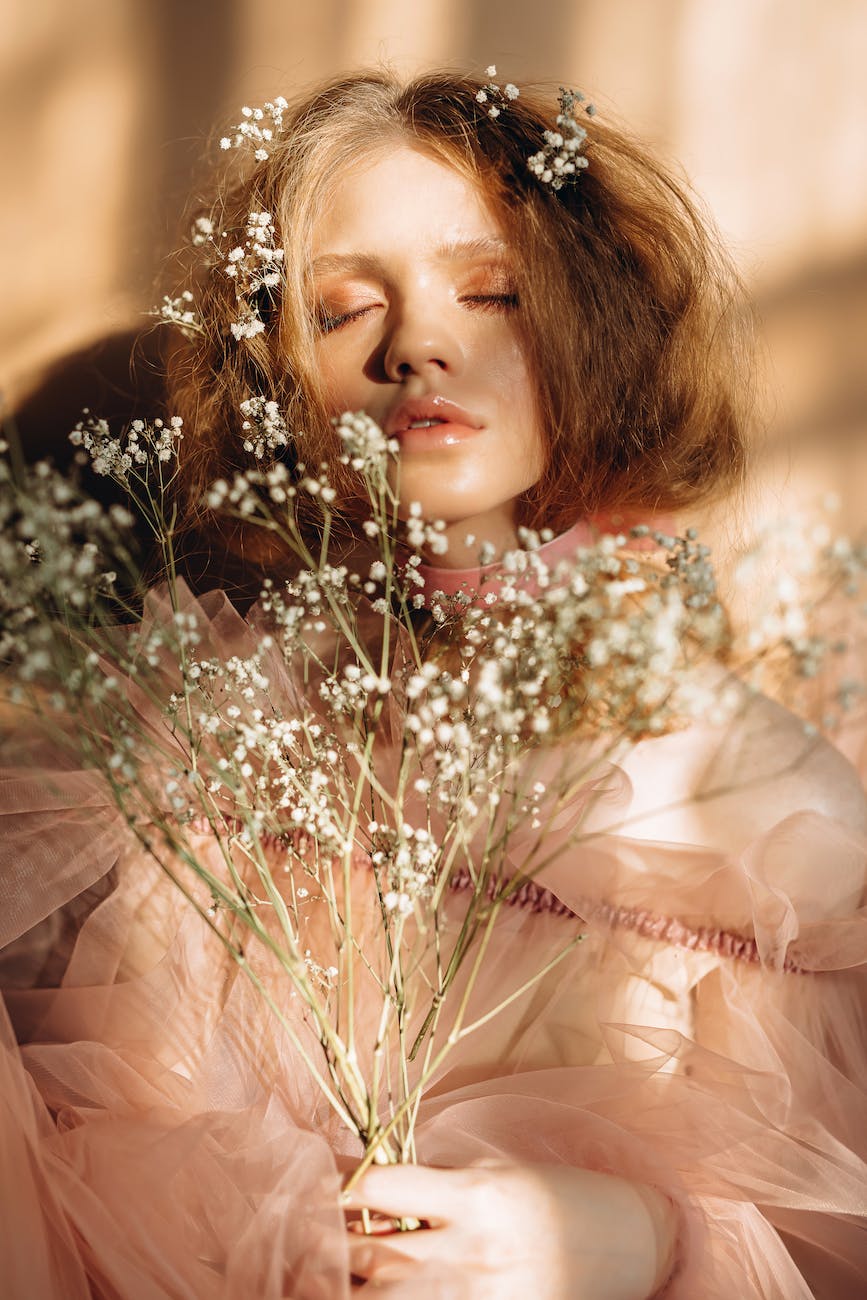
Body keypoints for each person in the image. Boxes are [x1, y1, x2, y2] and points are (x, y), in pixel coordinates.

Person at [1, 71, 864, 1300]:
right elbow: (124, 1134)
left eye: (492, 290)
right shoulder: (220, 740)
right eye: (345, 309)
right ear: (285, 384)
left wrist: (650, 1240)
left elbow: (832, 1221)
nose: (416, 343)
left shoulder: (753, 809)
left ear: (594, 326)